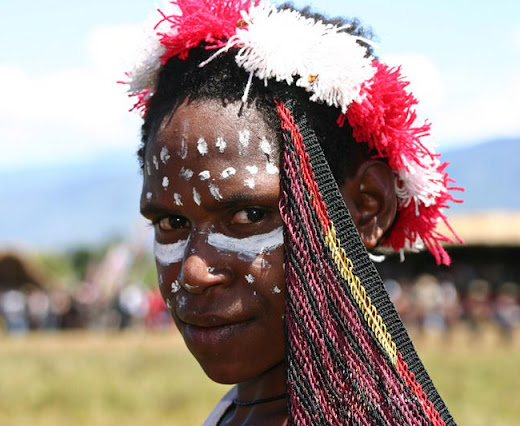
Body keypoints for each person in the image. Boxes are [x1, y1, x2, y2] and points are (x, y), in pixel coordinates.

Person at [124, 1, 460, 424]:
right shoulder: (235, 412)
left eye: (249, 215)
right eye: (171, 223)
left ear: (366, 207)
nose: (193, 272)